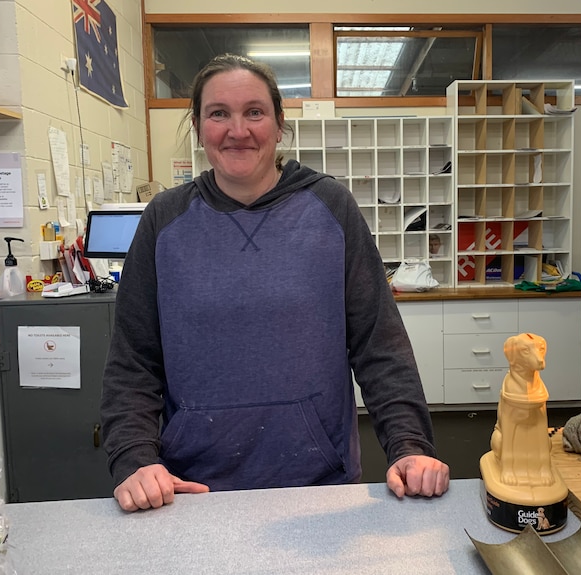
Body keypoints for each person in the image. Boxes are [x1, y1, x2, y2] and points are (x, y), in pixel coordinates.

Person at [100, 53, 450, 512]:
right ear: (199, 126)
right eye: (218, 113)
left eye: (254, 112)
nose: (237, 130)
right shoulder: (164, 220)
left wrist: (410, 445)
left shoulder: (331, 207)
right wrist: (133, 459)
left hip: (318, 485)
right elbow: (133, 361)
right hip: (188, 491)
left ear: (279, 123)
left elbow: (378, 345)